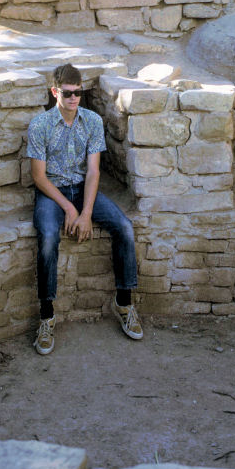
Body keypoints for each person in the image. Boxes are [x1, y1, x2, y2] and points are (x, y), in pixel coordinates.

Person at [27, 63, 143, 355]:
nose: (73, 99)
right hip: (52, 193)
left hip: (83, 189)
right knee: (49, 237)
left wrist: (86, 213)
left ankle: (125, 302)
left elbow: (93, 172)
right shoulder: (40, 125)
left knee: (124, 227)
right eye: (67, 94)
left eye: (78, 93)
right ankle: (46, 315)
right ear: (55, 92)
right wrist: (69, 208)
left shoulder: (91, 121)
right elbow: (38, 177)